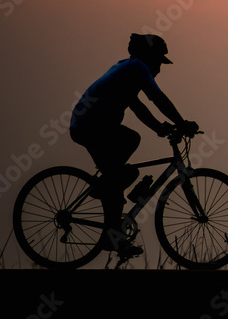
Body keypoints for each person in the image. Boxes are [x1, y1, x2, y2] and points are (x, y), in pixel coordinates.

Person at [69, 33, 198, 257]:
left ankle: (109, 198)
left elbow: (137, 107)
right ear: (150, 56)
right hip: (91, 124)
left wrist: (160, 128)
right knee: (124, 163)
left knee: (120, 172)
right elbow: (157, 98)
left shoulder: (126, 67)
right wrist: (182, 123)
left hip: (87, 123)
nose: (159, 68)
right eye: (159, 61)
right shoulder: (138, 68)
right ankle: (112, 227)